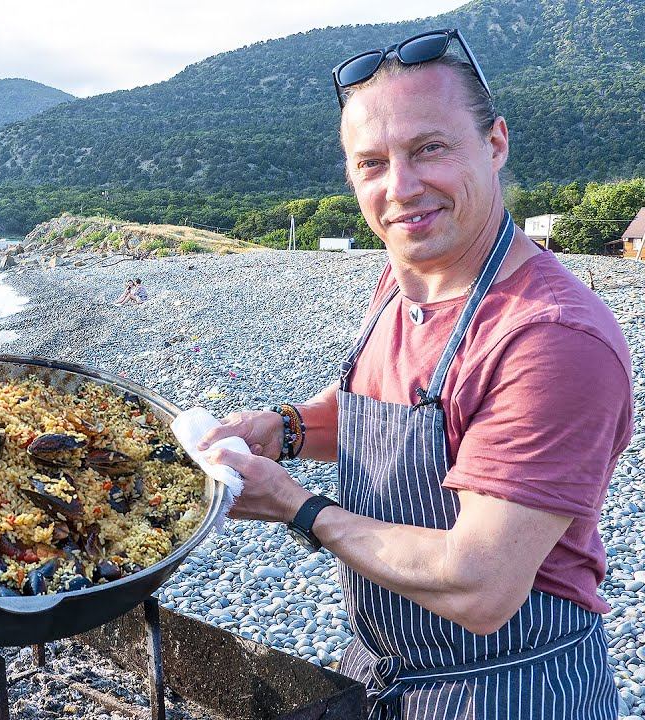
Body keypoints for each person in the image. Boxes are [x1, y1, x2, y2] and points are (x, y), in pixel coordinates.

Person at [199, 29, 629, 719]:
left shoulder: (551, 337)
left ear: (494, 145)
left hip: (510, 690)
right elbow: (381, 411)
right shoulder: (405, 284)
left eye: (429, 148)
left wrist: (297, 507)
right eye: (371, 162)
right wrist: (282, 430)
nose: (400, 187)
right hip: (384, 674)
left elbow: (480, 585)